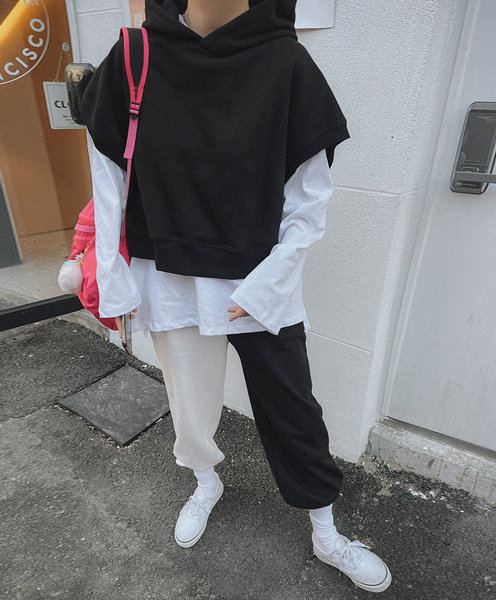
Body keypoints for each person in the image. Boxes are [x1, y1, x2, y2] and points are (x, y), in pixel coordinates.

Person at [80, 0, 391, 593]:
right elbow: (108, 175)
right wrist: (114, 279)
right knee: (189, 405)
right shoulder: (136, 56)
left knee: (292, 408)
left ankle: (325, 531)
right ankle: (206, 482)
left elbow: (309, 195)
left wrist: (272, 282)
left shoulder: (285, 63)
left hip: (260, 276)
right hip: (168, 269)